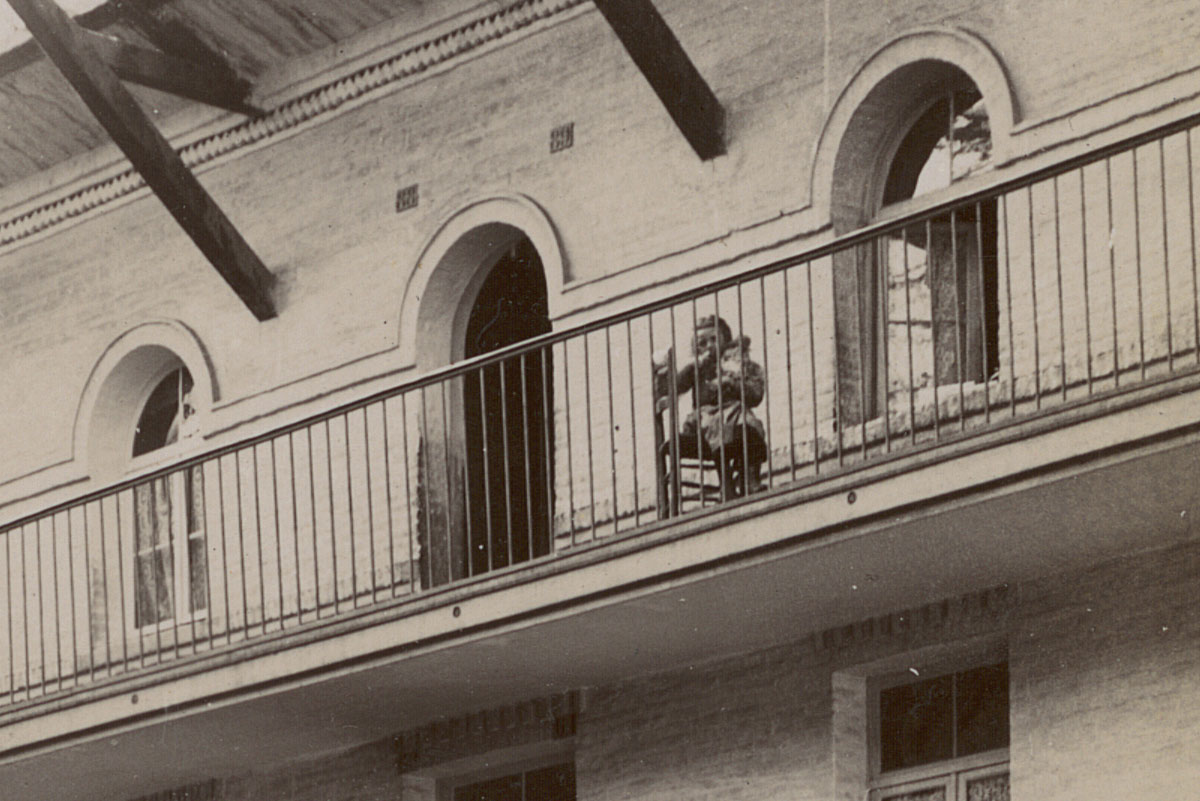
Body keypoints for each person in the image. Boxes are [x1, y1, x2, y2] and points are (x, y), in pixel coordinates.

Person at [654, 315, 766, 497]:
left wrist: (733, 382)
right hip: (706, 418)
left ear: (726, 339)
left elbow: (756, 394)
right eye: (702, 342)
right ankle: (726, 482)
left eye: (714, 339)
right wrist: (691, 368)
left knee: (752, 426)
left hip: (736, 413)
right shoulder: (697, 369)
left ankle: (750, 478)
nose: (709, 346)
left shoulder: (738, 363)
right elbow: (673, 389)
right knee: (716, 427)